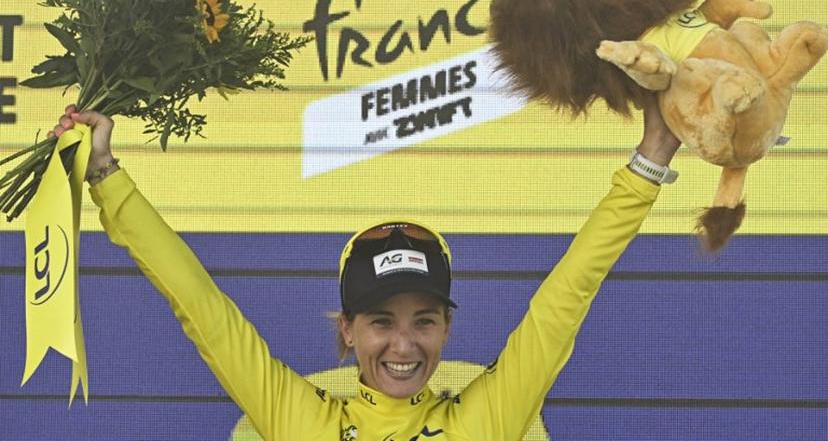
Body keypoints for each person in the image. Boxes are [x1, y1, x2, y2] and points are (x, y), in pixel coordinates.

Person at [51, 94, 680, 440]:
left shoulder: (489, 418)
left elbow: (569, 291)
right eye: (382, 321)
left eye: (423, 321)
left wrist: (652, 156)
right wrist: (105, 172)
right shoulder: (301, 420)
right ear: (347, 329)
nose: (403, 345)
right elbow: (202, 309)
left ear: (447, 331)